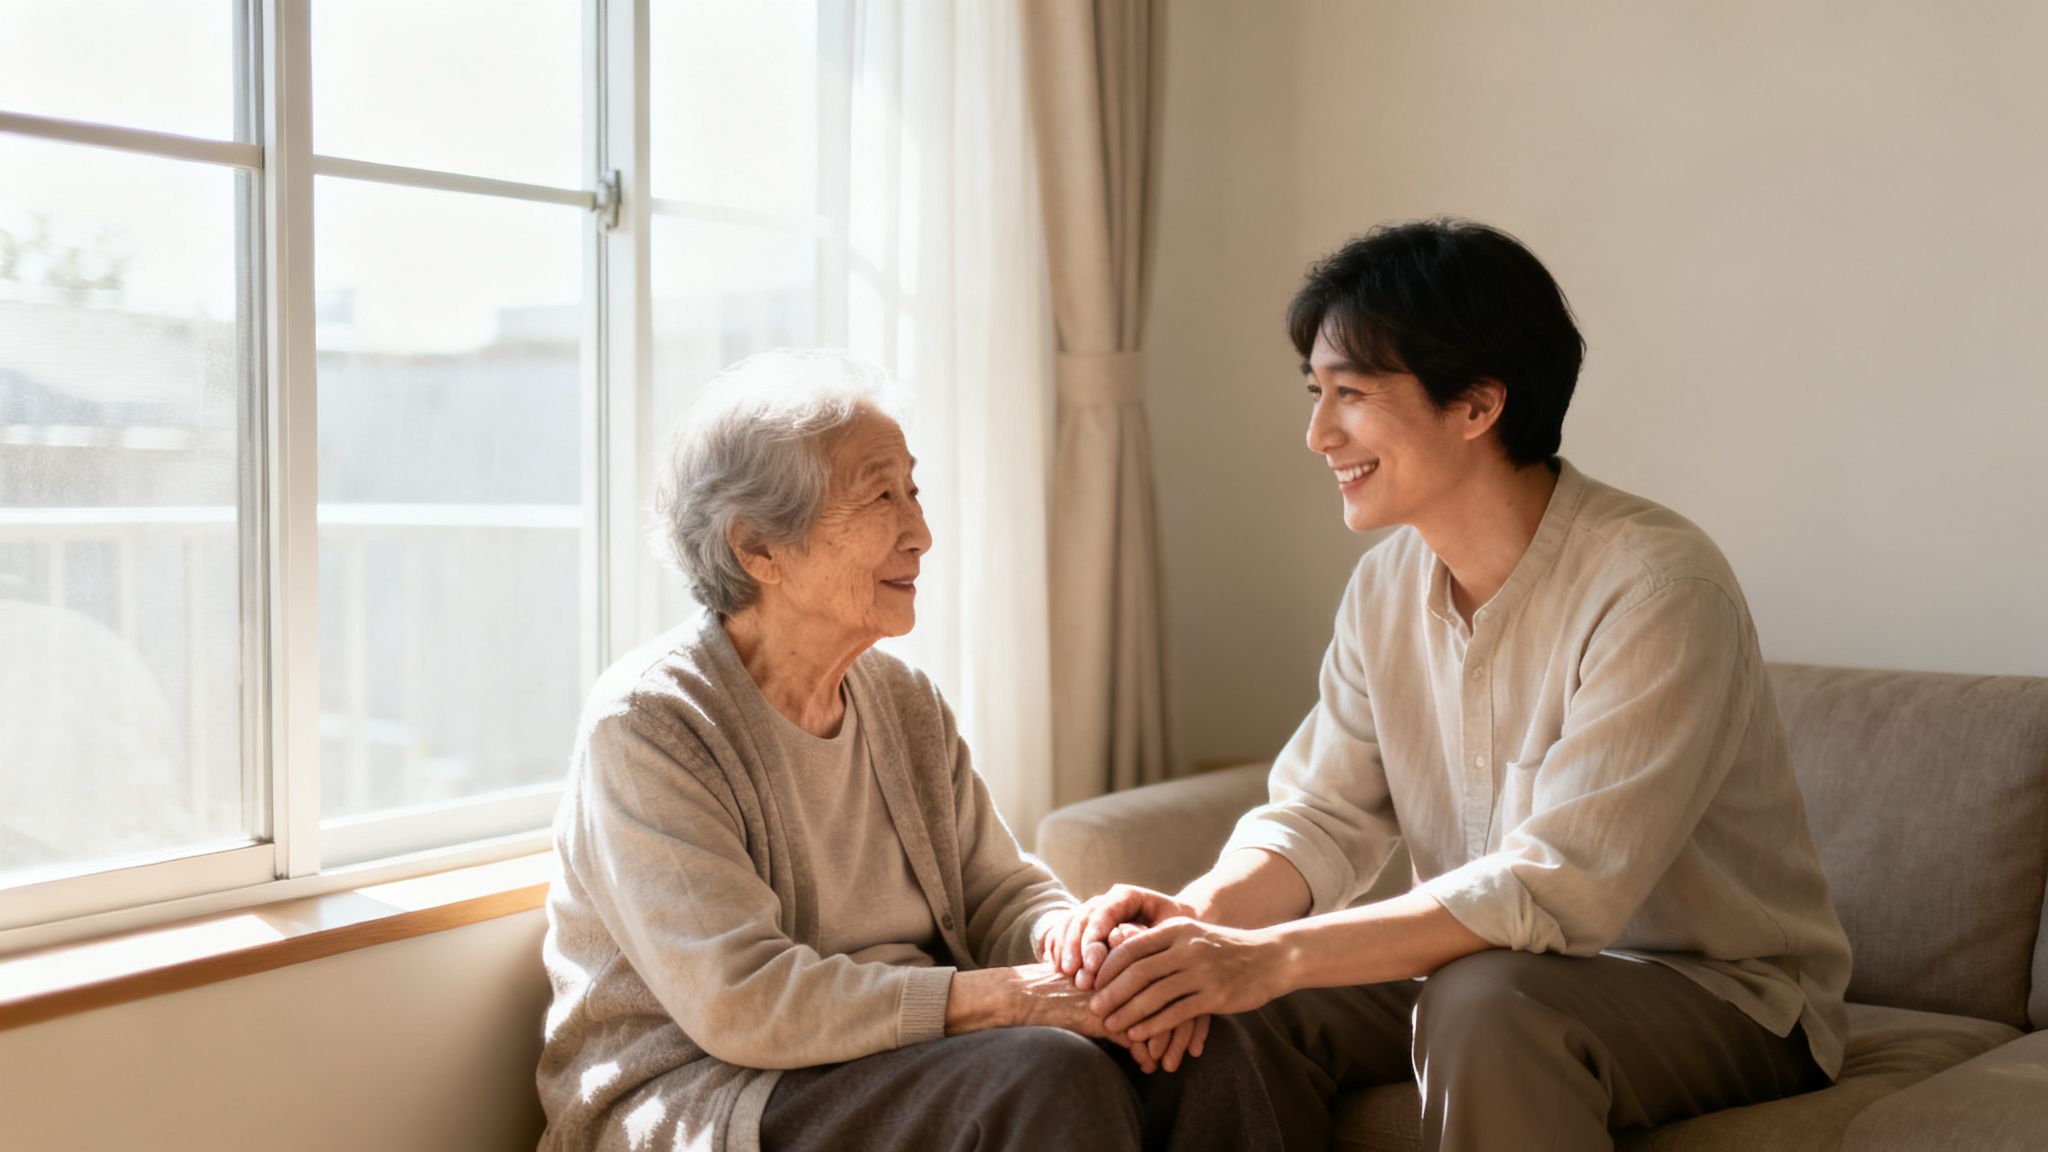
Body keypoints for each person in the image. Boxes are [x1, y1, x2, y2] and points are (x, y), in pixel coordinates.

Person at [1045, 220, 1853, 1151]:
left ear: (1476, 406)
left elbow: (1556, 889)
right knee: (1217, 1013)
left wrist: (1268, 957)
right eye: (1316, 394)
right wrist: (1200, 924)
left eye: (1349, 394)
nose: (1317, 434)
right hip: (1493, 965)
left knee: (1484, 1004)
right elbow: (1319, 817)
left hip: (1721, 994)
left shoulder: (1660, 590)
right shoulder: (1385, 587)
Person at [535, 351, 1277, 1152]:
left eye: (913, 491)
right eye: (880, 497)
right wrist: (1011, 997)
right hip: (718, 1087)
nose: (919, 533)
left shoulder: (901, 700)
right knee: (1047, 1072)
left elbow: (1000, 893)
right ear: (759, 549)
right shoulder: (652, 723)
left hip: (902, 1052)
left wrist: (1083, 952)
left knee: (1193, 1036)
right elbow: (742, 1002)